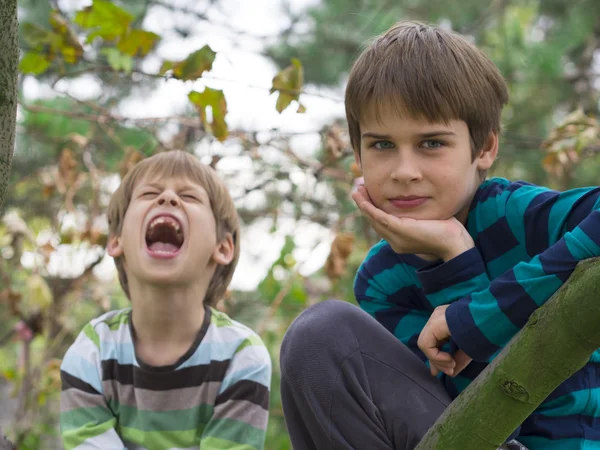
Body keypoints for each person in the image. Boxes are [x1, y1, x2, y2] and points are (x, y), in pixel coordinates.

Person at [280, 21, 600, 450]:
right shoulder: (381, 280)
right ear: (357, 155)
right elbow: (471, 416)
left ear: (484, 147)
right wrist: (453, 261)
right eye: (382, 145)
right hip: (470, 436)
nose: (404, 171)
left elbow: (521, 415)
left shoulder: (516, 215)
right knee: (321, 336)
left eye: (431, 143)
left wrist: (481, 312)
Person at [59, 151, 272, 450]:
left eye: (189, 196)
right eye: (149, 193)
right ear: (116, 240)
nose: (168, 198)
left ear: (223, 247)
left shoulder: (241, 356)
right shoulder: (91, 353)